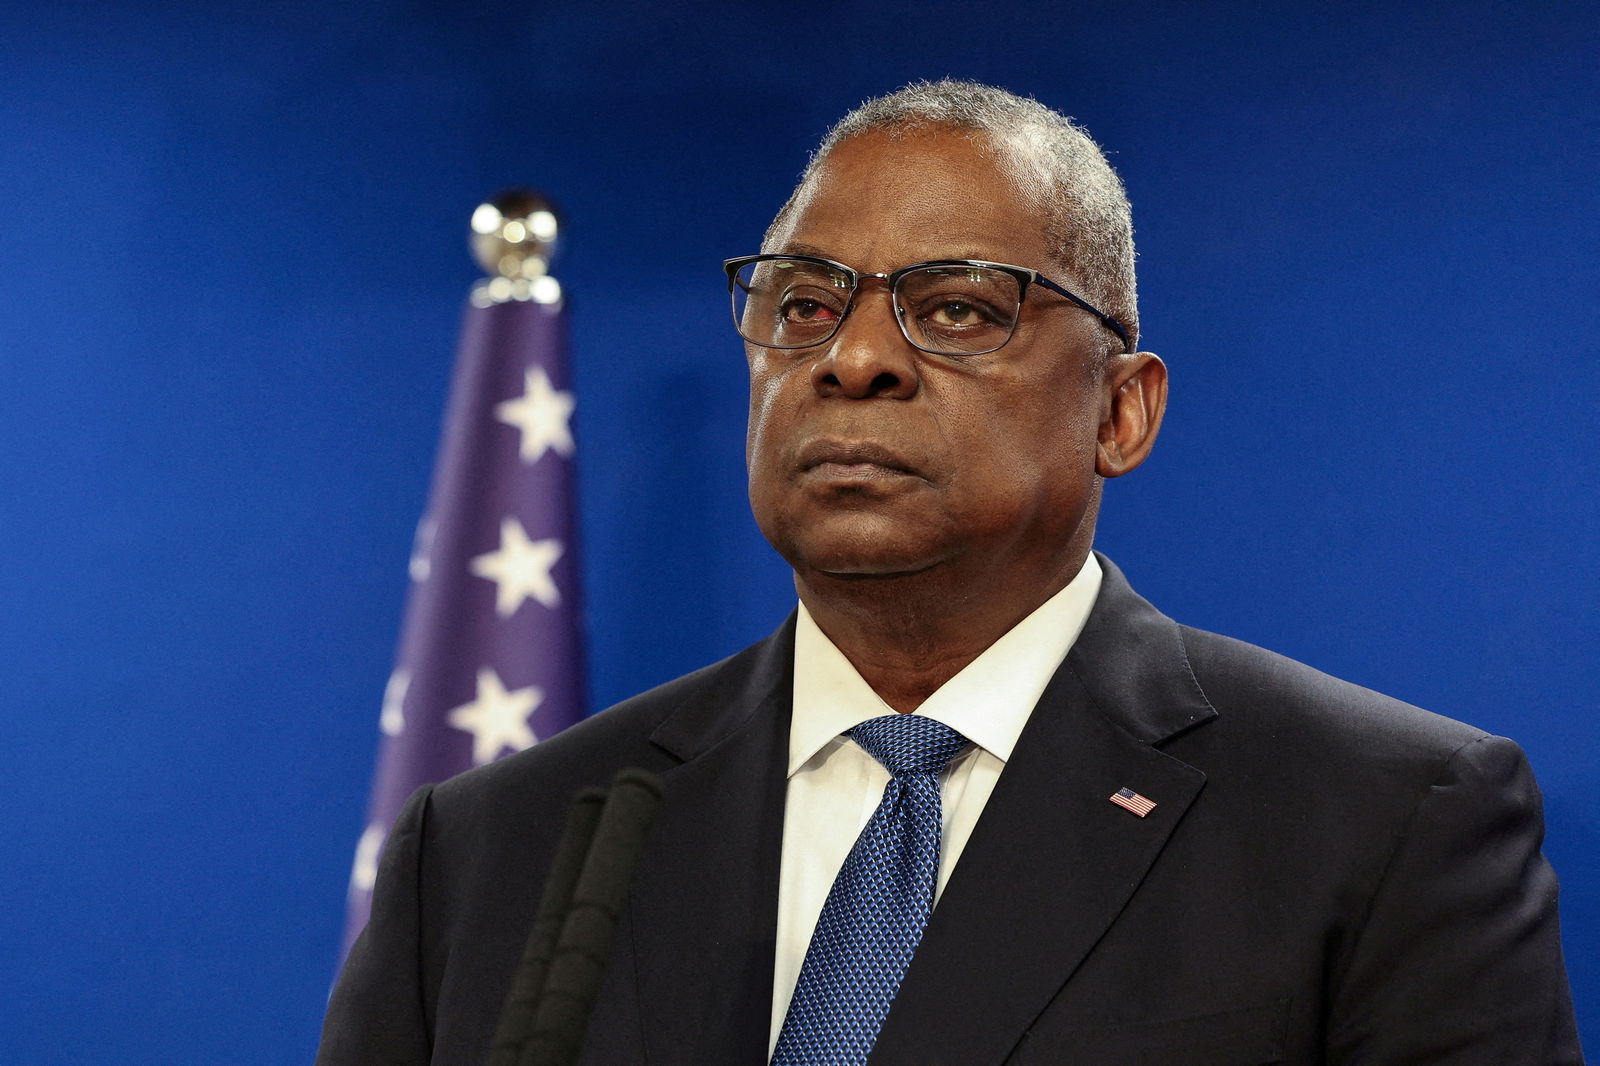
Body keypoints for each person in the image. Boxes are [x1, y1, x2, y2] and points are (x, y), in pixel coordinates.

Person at [317, 80, 1582, 1065]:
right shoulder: (490, 848)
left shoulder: (1382, 821)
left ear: (1122, 413)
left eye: (961, 307)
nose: (853, 358)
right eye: (804, 305)